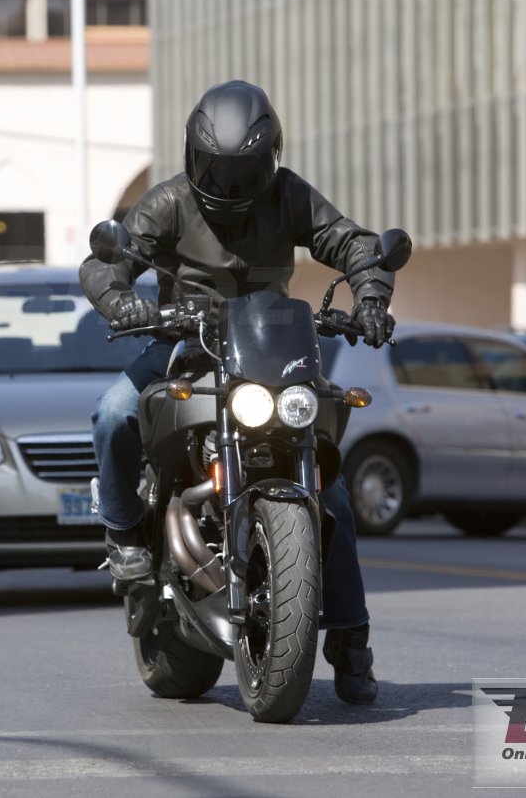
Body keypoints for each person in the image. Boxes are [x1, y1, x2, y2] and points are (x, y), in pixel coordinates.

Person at [80, 80, 397, 705]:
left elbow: (355, 244)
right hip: (187, 345)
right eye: (215, 170)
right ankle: (123, 539)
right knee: (113, 411)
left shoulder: (292, 196)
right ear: (194, 157)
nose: (226, 185)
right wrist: (121, 299)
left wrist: (372, 299)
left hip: (273, 352)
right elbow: (107, 259)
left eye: (243, 171)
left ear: (269, 160)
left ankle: (351, 642)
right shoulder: (167, 202)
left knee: (328, 488)